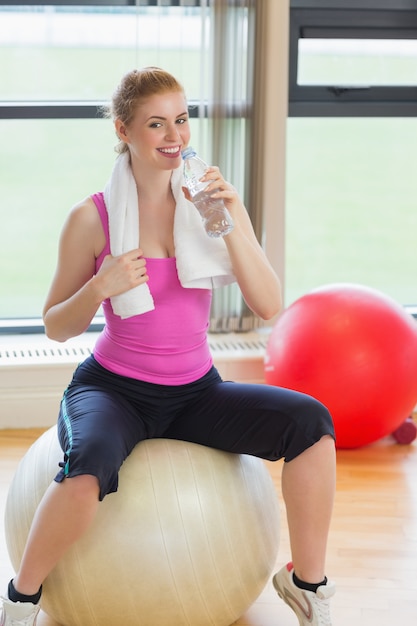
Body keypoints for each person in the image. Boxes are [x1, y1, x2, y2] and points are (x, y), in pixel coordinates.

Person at [0, 67, 336, 626]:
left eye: (181, 119)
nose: (174, 135)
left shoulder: (210, 203)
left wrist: (230, 224)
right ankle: (21, 599)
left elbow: (269, 304)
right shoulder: (92, 218)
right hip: (114, 389)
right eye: (156, 123)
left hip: (195, 392)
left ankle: (308, 586)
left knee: (311, 425)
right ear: (124, 130)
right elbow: (57, 326)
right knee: (88, 464)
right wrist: (100, 286)